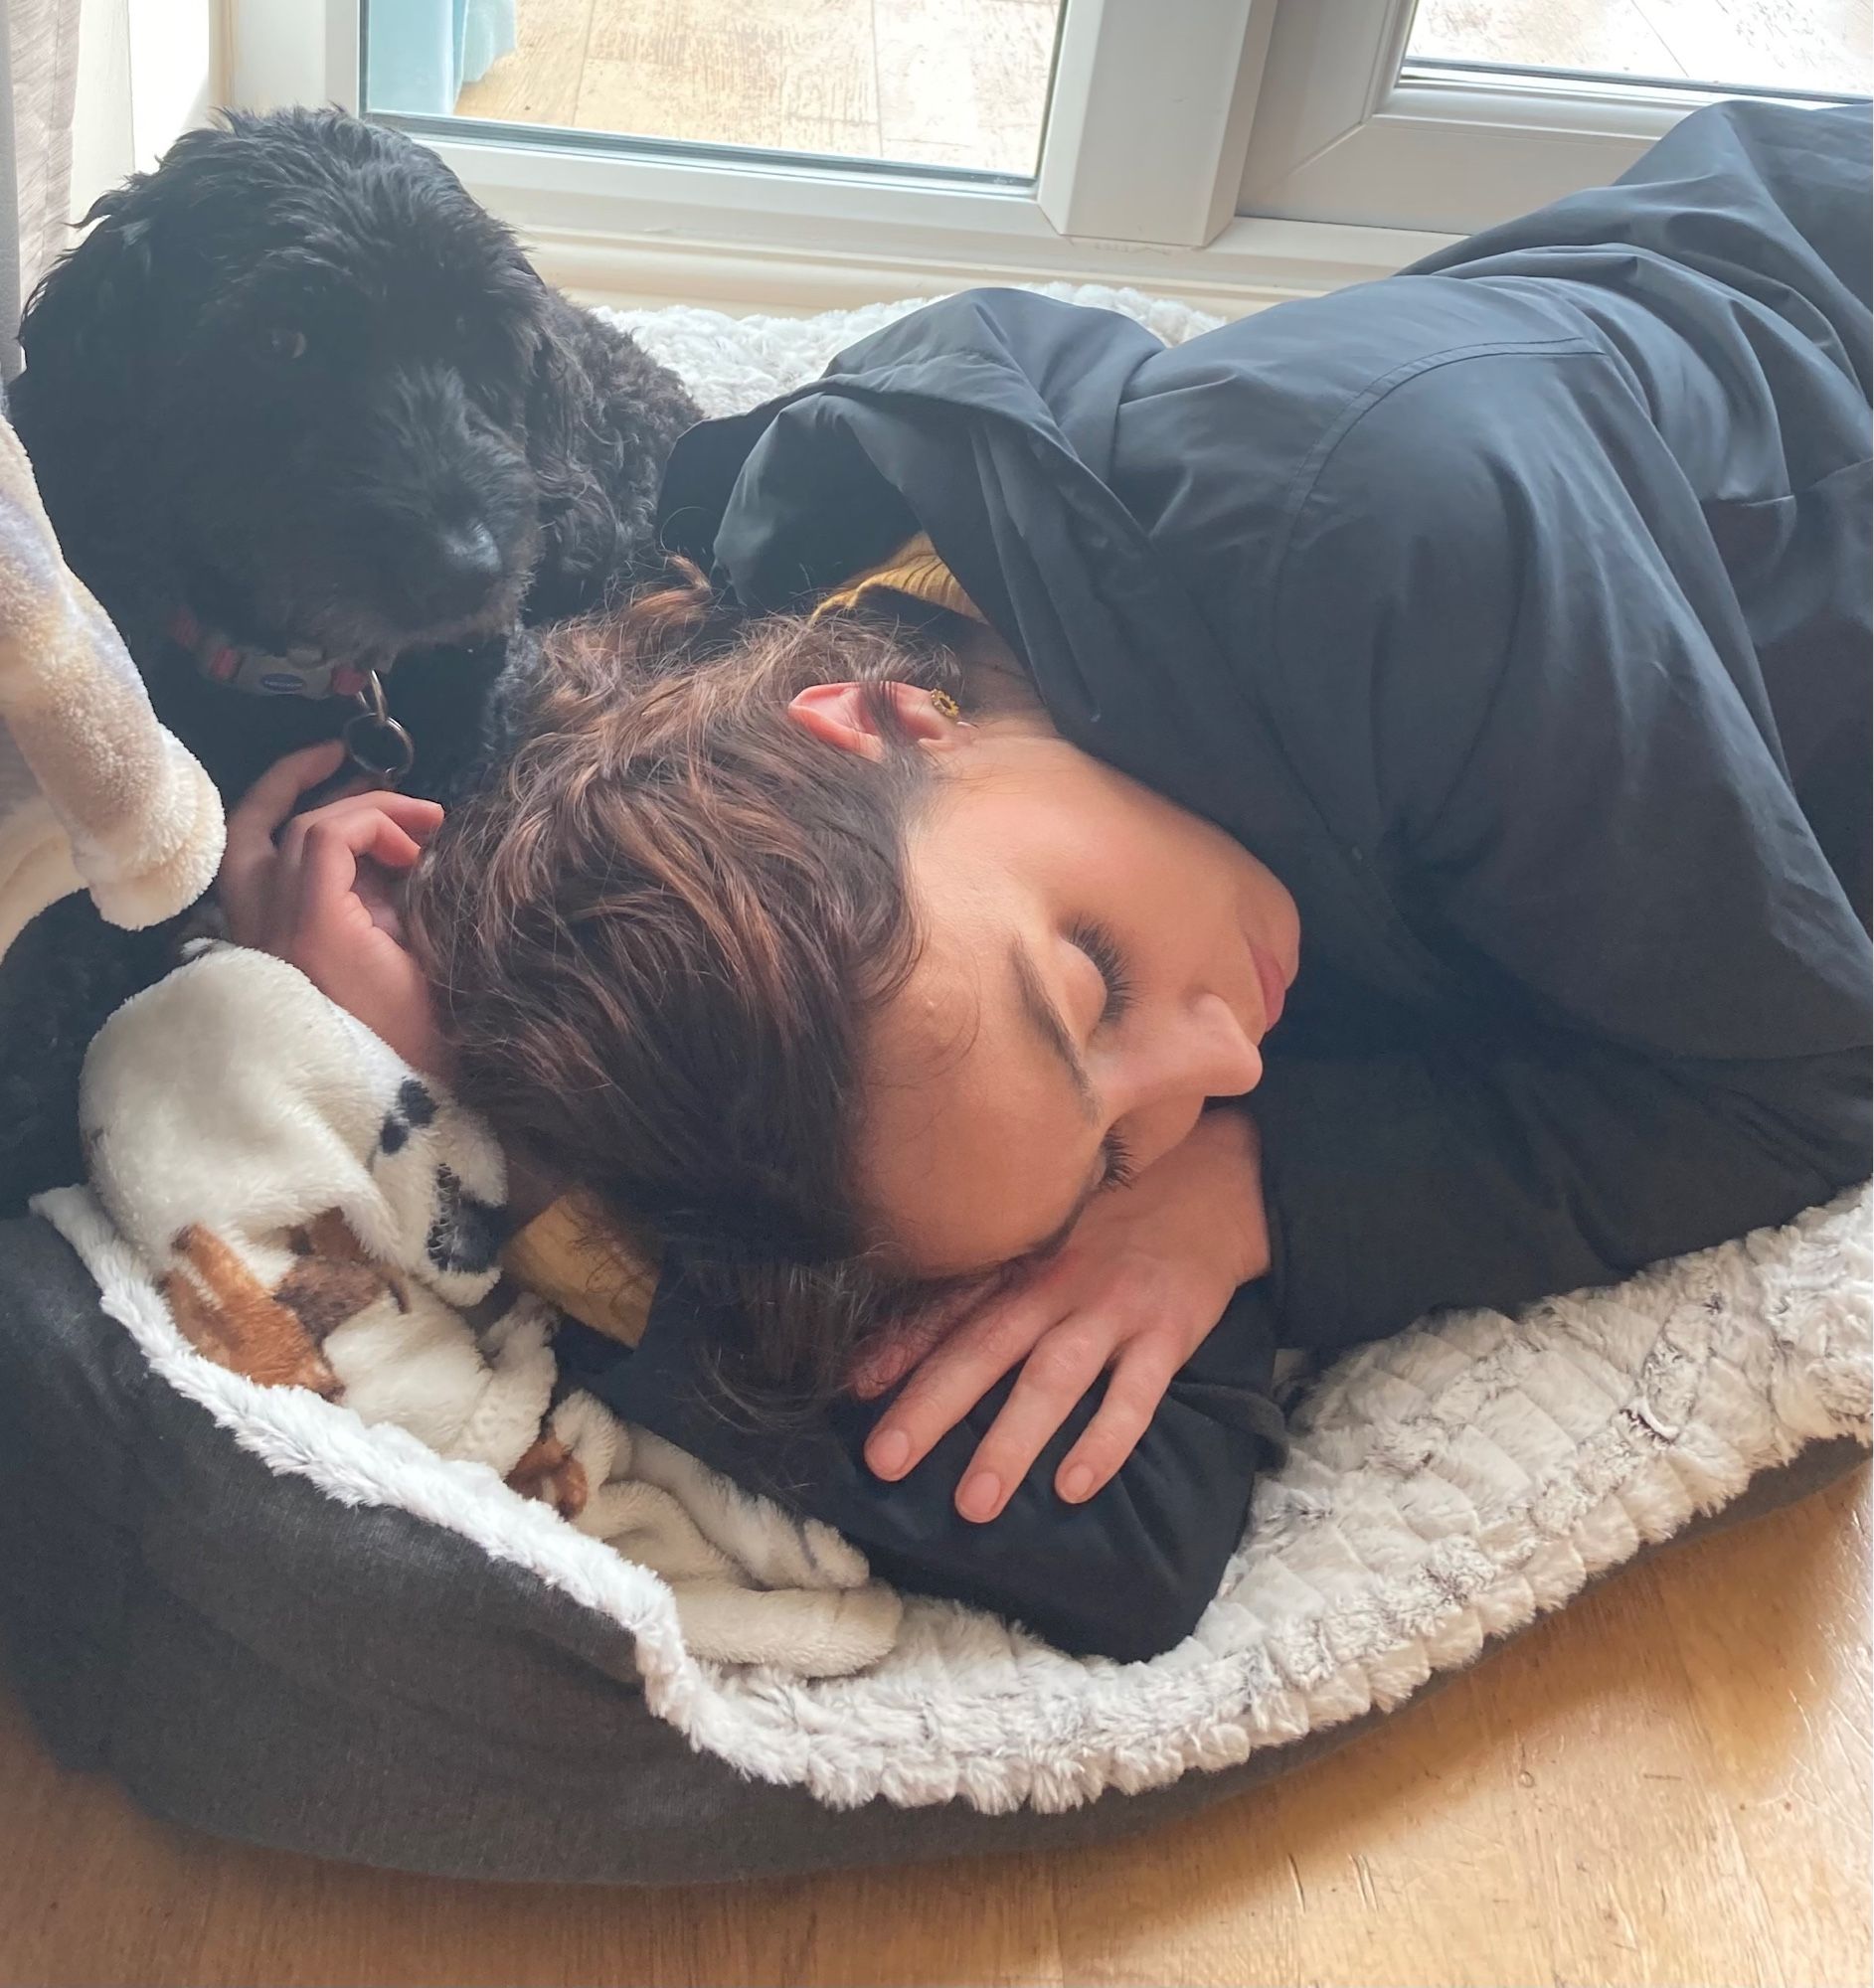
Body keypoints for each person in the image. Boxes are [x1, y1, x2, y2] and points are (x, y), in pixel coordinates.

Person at [218, 97, 1872, 1661]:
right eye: (1115, 1148)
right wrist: (469, 1132)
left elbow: (1814, 1082)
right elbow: (1130, 1541)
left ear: (877, 719)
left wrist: (1264, 1189)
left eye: (1090, 983)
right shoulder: (870, 937)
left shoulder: (1403, 551)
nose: (1225, 1066)